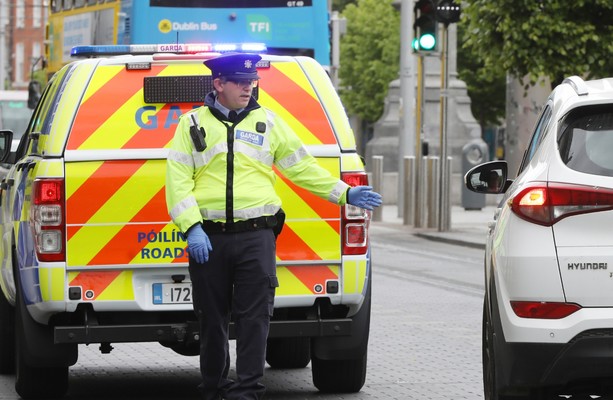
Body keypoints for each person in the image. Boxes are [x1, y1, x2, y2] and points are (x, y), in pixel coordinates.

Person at [165, 52, 382, 400]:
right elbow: (177, 180)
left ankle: (248, 390)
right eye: (239, 82)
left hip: (257, 236)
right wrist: (192, 227)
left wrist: (345, 193)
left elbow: (302, 168)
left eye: (251, 82)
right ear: (218, 84)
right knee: (211, 319)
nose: (248, 88)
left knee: (255, 319)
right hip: (211, 237)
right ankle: (214, 387)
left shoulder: (269, 122)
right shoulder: (191, 125)